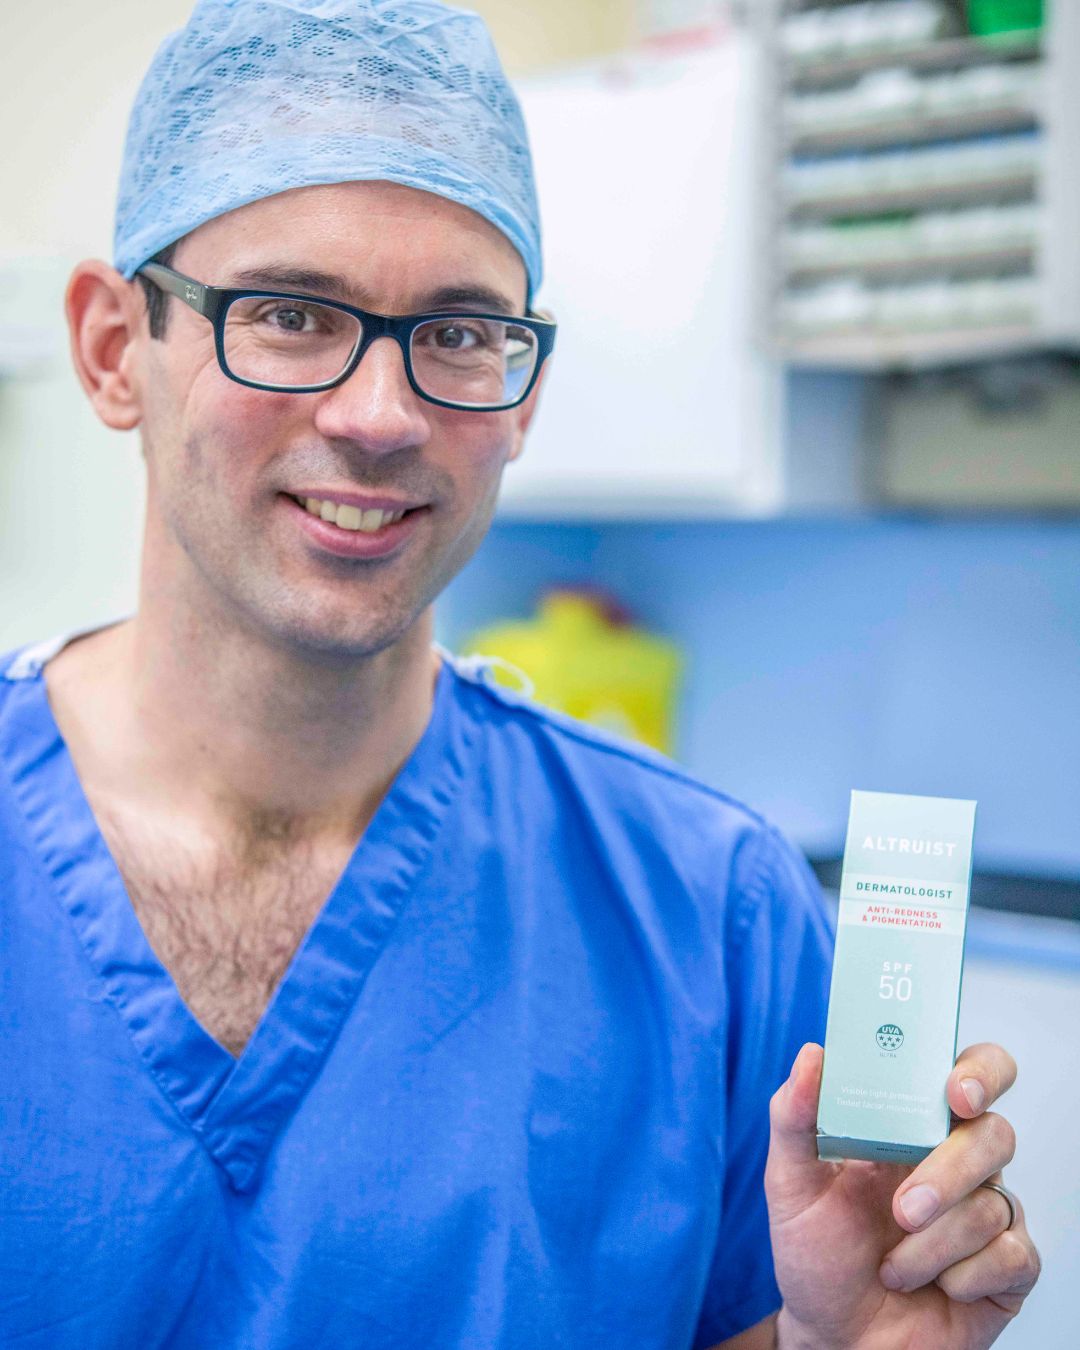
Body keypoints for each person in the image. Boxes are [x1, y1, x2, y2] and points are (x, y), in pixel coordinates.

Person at [0, 2, 1039, 1346]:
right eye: (293, 314)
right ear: (108, 347)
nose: (379, 415)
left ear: (525, 390)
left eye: (458, 333)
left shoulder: (710, 924)